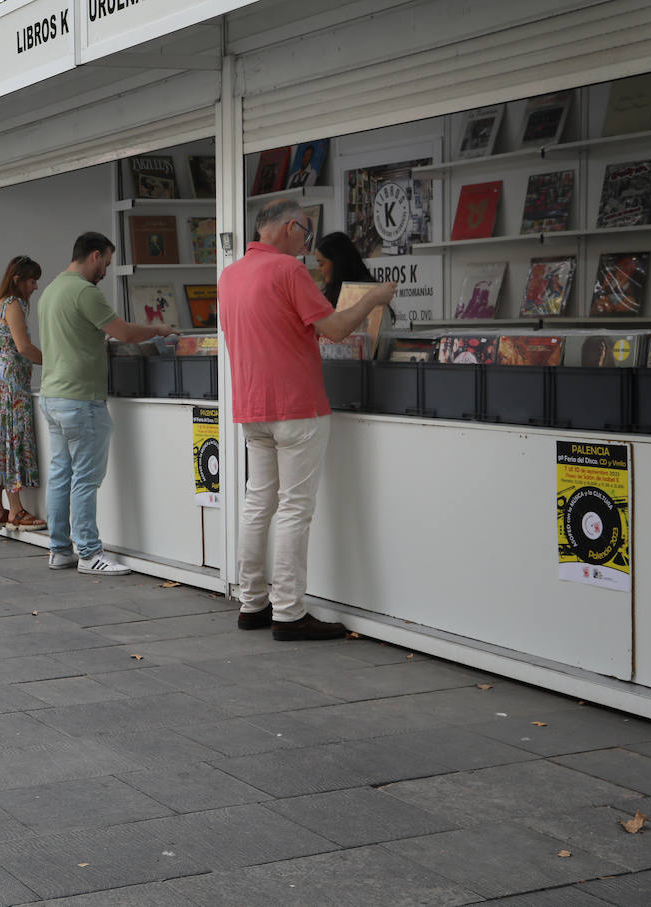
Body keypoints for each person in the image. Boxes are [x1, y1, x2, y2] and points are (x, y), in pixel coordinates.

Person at [219, 199, 396, 641]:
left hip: (252, 406)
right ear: (287, 226)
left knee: (258, 504)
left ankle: (252, 603)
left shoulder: (230, 275)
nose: (307, 242)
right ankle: (289, 612)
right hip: (297, 406)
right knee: (295, 509)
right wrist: (373, 298)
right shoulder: (287, 271)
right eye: (306, 232)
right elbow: (335, 329)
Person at [39, 232, 175, 576]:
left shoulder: (51, 290)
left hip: (52, 396)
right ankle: (88, 553)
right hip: (81, 399)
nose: (106, 272)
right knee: (84, 479)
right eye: (107, 264)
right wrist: (159, 329)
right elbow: (124, 333)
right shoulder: (84, 292)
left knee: (60, 476)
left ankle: (59, 550)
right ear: (95, 255)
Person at [0, 255, 46, 529]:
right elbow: (24, 348)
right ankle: (16, 511)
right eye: (32, 281)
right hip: (10, 388)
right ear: (18, 280)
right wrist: (56, 361)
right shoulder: (14, 305)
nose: (35, 287)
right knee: (10, 442)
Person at [315, 231, 377, 307]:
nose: (318, 268)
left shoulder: (365, 291)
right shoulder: (333, 291)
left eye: (321, 264)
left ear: (337, 262)